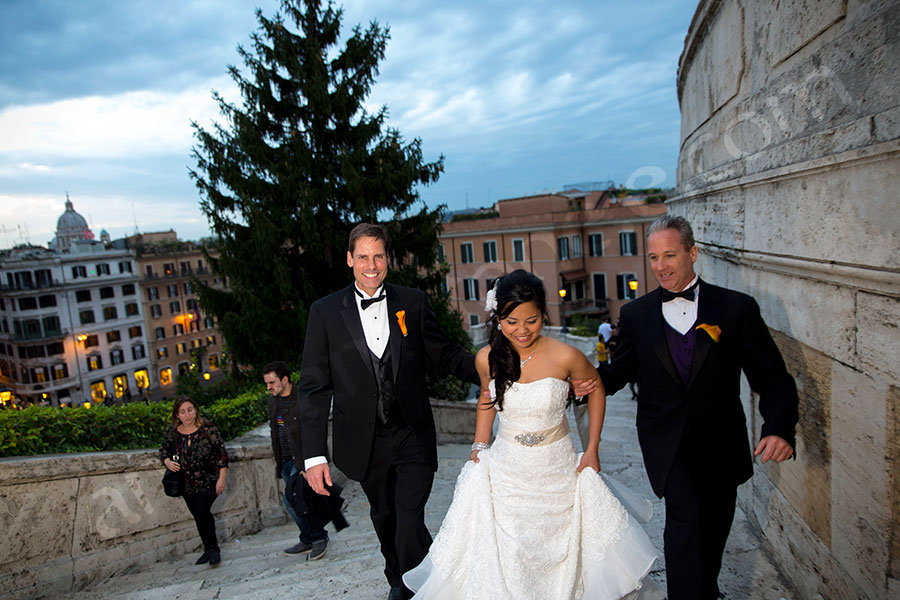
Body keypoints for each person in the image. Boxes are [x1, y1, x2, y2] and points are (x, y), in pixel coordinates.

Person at [403, 269, 661, 600]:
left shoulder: (565, 355)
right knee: (509, 553)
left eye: (532, 321)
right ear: (498, 319)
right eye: (512, 322)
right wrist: (479, 444)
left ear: (543, 315)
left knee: (567, 550)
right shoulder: (486, 359)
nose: (522, 330)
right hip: (509, 472)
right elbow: (486, 399)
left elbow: (595, 390)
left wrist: (592, 448)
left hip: (557, 469)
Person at [591, 215, 799, 600]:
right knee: (684, 524)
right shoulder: (636, 315)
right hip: (667, 443)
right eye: (653, 257)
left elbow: (771, 378)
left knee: (715, 527)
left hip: (722, 442)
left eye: (669, 255)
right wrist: (571, 382)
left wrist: (779, 427)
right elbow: (619, 371)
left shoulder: (735, 309)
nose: (660, 266)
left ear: (693, 252)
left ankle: (705, 588)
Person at [298, 223, 479, 600]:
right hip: (364, 442)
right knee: (385, 518)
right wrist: (313, 455)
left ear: (388, 259)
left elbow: (444, 353)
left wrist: (489, 364)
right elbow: (314, 387)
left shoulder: (412, 302)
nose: (371, 264)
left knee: (408, 519)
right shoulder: (325, 312)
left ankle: (410, 589)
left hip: (411, 434)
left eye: (378, 256)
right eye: (362, 256)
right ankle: (400, 573)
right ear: (350, 260)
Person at [263, 361, 333, 560]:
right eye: (267, 383)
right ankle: (308, 538)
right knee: (298, 502)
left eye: (272, 382)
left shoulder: (304, 397)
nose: (268, 387)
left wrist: (307, 463)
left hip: (302, 461)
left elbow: (316, 431)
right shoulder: (273, 401)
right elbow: (275, 433)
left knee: (292, 500)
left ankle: (318, 537)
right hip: (285, 460)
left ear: (285, 379)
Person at [159, 397, 228, 566]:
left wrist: (222, 478)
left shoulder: (208, 428)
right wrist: (167, 461)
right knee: (198, 515)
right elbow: (163, 450)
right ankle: (207, 548)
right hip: (186, 482)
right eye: (182, 412)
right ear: (177, 415)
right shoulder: (173, 432)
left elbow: (221, 453)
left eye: (190, 410)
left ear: (196, 409)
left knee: (202, 510)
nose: (187, 415)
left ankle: (214, 550)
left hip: (208, 479)